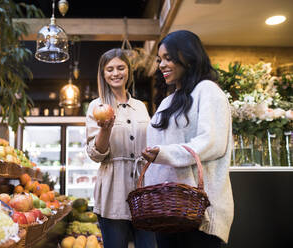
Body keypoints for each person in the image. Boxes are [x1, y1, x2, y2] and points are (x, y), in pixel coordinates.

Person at [141, 30, 234, 247]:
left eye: (168, 58)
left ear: (188, 57)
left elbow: (212, 143)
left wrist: (164, 154)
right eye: (159, 60)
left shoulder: (208, 91)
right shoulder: (167, 102)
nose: (161, 65)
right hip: (167, 208)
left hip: (200, 212)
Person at [86, 48, 155, 248]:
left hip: (143, 190)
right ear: (103, 74)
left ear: (128, 71)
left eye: (120, 68)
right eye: (109, 69)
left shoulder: (140, 106)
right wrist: (105, 130)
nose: (115, 73)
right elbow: (95, 155)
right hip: (113, 190)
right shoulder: (96, 107)